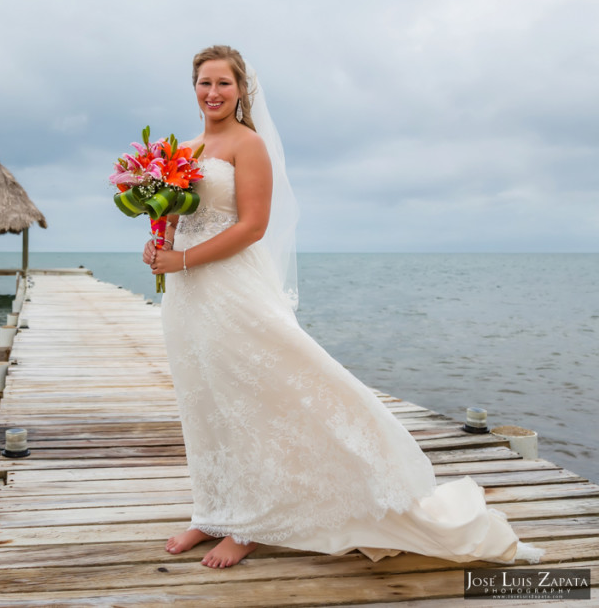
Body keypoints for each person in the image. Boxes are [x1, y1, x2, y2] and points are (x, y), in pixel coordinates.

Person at [142, 45, 543, 569]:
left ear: (241, 90)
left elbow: (252, 227)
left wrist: (184, 258)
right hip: (188, 297)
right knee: (204, 400)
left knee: (251, 400)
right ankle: (211, 511)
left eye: (223, 83)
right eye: (204, 82)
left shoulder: (249, 145)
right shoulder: (185, 149)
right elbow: (176, 217)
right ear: (192, 87)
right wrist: (159, 246)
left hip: (232, 289)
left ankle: (249, 525)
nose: (212, 93)